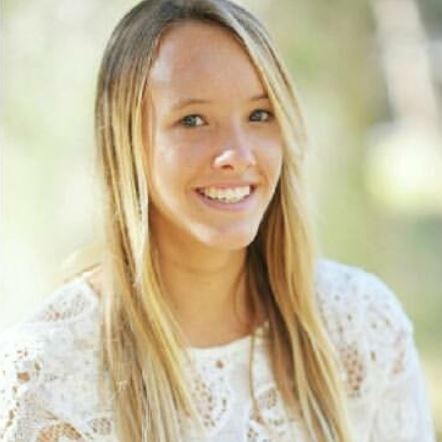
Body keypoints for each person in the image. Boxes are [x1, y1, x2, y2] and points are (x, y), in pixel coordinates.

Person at [0, 0, 436, 441]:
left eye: (259, 115)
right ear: (125, 141)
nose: (238, 155)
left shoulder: (361, 325)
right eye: (192, 120)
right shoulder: (47, 376)